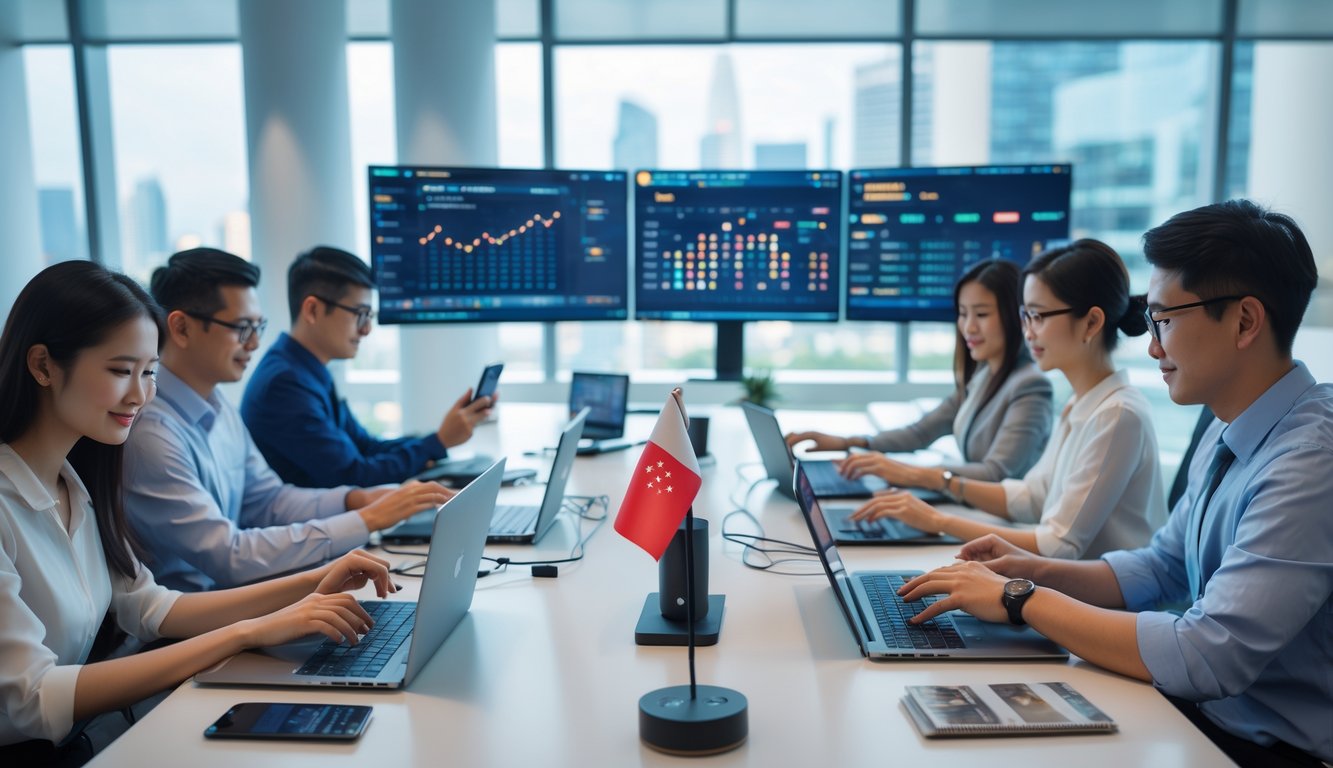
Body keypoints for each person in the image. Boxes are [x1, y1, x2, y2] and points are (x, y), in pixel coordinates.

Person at [899, 201, 1330, 766]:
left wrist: (1019, 599)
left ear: (1246, 321)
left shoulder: (1311, 461)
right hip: (1203, 717)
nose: (1152, 345)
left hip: (1265, 748)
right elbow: (1161, 567)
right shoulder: (1229, 421)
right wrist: (1027, 570)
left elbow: (1208, 655)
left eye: (1165, 321)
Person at [0, 261, 398, 762]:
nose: (142, 396)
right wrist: (254, 629)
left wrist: (315, 581)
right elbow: (34, 697)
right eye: (121, 371)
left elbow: (149, 606)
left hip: (92, 737)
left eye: (149, 373)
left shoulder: (74, 481)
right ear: (42, 366)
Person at [122, 248, 450, 592]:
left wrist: (355, 500)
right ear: (182, 327)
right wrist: (366, 518)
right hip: (197, 622)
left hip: (238, 597)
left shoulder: (217, 405)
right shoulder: (152, 434)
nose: (255, 343)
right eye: (242, 328)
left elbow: (268, 500)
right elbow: (228, 556)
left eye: (258, 326)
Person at [848, 240, 1166, 559]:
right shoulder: (1082, 403)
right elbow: (1031, 498)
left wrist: (936, 519)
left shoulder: (1118, 414)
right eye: (1025, 316)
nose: (1028, 332)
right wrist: (941, 482)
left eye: (1038, 316)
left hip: (1100, 604)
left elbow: (1058, 545)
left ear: (1092, 322)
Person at [242, 246, 494, 488]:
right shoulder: (284, 384)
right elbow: (354, 475)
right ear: (313, 310)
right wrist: (438, 441)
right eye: (359, 314)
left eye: (369, 316)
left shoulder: (306, 370)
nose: (366, 329)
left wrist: (439, 437)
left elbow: (366, 447)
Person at [788, 259, 1053, 485]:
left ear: (1014, 316)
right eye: (962, 314)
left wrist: (905, 472)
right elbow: (920, 433)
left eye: (981, 314)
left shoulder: (1030, 386)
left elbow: (996, 474)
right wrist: (846, 442)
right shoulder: (983, 377)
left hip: (1005, 529)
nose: (969, 327)